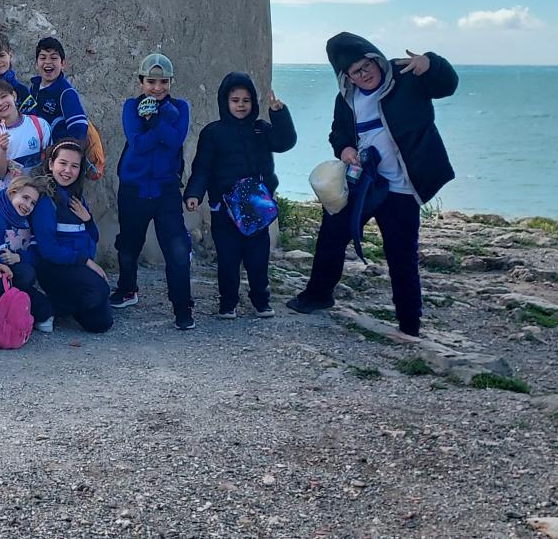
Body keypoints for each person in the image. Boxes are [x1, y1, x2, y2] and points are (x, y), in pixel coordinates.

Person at [289, 35, 457, 338]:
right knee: (331, 234)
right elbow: (338, 134)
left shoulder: (407, 78)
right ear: (347, 77)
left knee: (401, 256)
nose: (364, 73)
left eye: (367, 65)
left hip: (402, 188)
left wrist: (430, 63)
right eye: (356, 71)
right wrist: (344, 150)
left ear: (377, 59)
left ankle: (409, 323)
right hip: (365, 182)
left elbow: (448, 86)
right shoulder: (346, 99)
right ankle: (318, 295)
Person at [185, 72, 296, 319]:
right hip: (224, 209)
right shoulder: (213, 133)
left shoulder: (261, 129)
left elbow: (285, 142)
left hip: (256, 208)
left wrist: (279, 114)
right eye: (235, 100)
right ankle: (228, 303)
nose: (241, 105)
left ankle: (261, 301)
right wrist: (194, 194)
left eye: (246, 100)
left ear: (253, 102)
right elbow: (202, 168)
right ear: (225, 102)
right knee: (228, 259)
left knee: (258, 259)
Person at [111, 52, 197, 330]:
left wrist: (155, 118)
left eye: (163, 82)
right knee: (128, 245)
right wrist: (161, 126)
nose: (157, 88)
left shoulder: (181, 108)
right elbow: (137, 145)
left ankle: (182, 307)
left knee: (177, 249)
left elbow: (175, 141)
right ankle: (127, 289)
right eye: (151, 82)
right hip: (134, 187)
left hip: (165, 189)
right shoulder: (130, 106)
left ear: (171, 82)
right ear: (141, 82)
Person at [0, 172, 58, 338]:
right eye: (25, 198)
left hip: (12, 274)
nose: (28, 205)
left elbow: (35, 253)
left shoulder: (24, 222)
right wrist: (14, 260)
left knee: (30, 280)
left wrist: (19, 257)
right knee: (25, 274)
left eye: (32, 203)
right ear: (12, 192)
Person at [35, 141, 115, 333]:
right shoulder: (46, 200)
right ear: (51, 164)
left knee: (101, 323)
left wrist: (88, 220)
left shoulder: (75, 197)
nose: (67, 171)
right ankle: (49, 306)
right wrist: (86, 261)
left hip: (78, 266)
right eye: (62, 163)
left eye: (74, 166)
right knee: (101, 290)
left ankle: (60, 307)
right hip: (56, 268)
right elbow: (49, 250)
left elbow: (94, 236)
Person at [0, 73, 51, 202]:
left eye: (4, 96)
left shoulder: (39, 124)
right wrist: (2, 150)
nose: (1, 103)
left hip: (38, 193)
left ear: (14, 95)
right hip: (8, 197)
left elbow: (50, 159)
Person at [21, 36, 91, 145]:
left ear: (63, 64)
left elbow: (79, 128)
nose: (48, 62)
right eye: (43, 58)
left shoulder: (66, 93)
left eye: (53, 58)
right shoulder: (33, 88)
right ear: (36, 64)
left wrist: (61, 150)